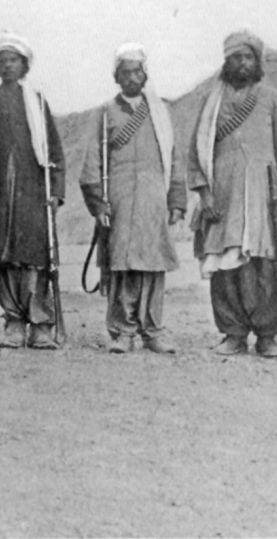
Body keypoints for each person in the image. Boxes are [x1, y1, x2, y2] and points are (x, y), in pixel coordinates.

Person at [189, 29, 277, 358]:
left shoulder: (272, 99)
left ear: (257, 61)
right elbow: (196, 152)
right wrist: (205, 195)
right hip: (222, 194)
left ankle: (267, 335)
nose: (242, 63)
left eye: (248, 57)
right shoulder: (211, 101)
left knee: (264, 266)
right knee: (226, 267)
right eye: (236, 57)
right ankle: (233, 334)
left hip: (263, 194)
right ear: (227, 61)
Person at [80, 43, 187, 354]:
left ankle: (152, 331)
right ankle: (122, 332)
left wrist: (176, 200)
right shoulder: (105, 113)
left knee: (153, 264)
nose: (131, 77)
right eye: (125, 72)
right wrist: (98, 203)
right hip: (120, 198)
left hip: (154, 197)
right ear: (117, 77)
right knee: (121, 265)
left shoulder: (161, 112)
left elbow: (174, 157)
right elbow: (92, 160)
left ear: (145, 75)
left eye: (137, 71)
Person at [0, 31, 64, 350]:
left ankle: (41, 325)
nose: (8, 65)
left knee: (35, 259)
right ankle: (14, 323)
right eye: (3, 61)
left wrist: (56, 191)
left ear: (24, 65)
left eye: (14, 60)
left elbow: (54, 151)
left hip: (33, 193)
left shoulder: (37, 102)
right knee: (4, 259)